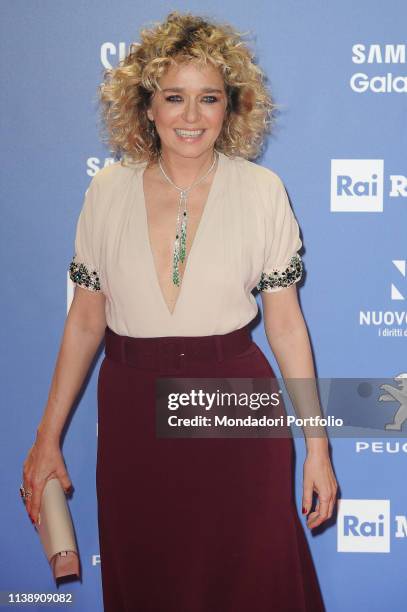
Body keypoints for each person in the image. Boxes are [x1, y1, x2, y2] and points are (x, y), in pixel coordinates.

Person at [21, 10, 338, 612]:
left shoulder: (261, 191)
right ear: (146, 105)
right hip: (132, 409)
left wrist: (317, 447)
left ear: (231, 106)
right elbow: (87, 320)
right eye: (174, 97)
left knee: (251, 582)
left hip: (235, 407)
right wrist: (46, 439)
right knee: (150, 582)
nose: (191, 117)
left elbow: (287, 325)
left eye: (208, 98)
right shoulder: (106, 191)